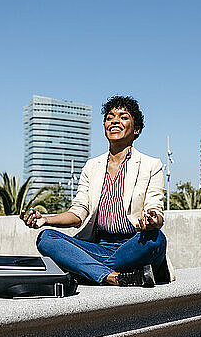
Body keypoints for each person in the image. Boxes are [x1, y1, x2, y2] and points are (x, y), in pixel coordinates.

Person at [20, 96, 168, 287]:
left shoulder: (151, 165)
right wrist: (45, 219)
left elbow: (155, 208)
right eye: (110, 117)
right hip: (98, 247)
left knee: (156, 240)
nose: (115, 121)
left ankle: (85, 270)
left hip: (133, 246)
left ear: (137, 128)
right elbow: (78, 213)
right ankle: (113, 276)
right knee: (46, 238)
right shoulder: (92, 166)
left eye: (123, 117)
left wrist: (153, 219)